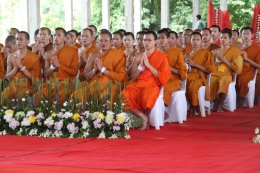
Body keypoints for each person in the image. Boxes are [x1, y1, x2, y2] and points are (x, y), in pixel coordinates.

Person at [122, 30, 171, 130]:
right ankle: (143, 117)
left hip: (152, 85)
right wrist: (140, 67)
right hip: (138, 84)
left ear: (155, 42)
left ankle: (146, 118)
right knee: (123, 96)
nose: (146, 42)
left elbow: (164, 76)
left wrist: (148, 66)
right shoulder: (139, 56)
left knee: (147, 96)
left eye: (149, 40)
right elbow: (134, 77)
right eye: (144, 40)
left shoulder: (162, 57)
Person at [72, 30, 126, 103]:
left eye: (106, 40)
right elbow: (86, 75)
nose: (103, 43)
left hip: (110, 84)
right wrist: (94, 70)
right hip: (93, 84)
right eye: (101, 40)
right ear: (97, 42)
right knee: (76, 96)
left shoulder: (119, 55)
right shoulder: (93, 55)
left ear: (111, 42)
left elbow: (120, 76)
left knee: (104, 97)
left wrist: (103, 70)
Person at [39, 27, 79, 104]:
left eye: (59, 35)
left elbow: (74, 72)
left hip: (66, 83)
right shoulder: (48, 53)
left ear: (64, 38)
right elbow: (45, 75)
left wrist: (59, 65)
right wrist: (52, 67)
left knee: (59, 96)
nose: (56, 37)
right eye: (54, 35)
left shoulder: (73, 51)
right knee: (37, 96)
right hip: (51, 83)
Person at [210, 28, 243, 112]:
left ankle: (220, 103)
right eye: (221, 38)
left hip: (227, 74)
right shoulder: (215, 51)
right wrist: (216, 62)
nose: (222, 40)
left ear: (230, 39)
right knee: (210, 81)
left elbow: (237, 69)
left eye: (225, 38)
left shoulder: (236, 51)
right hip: (214, 73)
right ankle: (215, 101)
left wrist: (224, 59)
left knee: (223, 81)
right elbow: (209, 66)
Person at [3, 31, 41, 102]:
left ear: (27, 41)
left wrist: (22, 67)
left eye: (21, 39)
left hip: (27, 87)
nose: (18, 42)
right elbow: (7, 77)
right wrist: (16, 67)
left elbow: (35, 79)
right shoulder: (11, 56)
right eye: (17, 39)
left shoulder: (34, 57)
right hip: (13, 86)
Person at [185, 32, 215, 116]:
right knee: (182, 85)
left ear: (201, 41)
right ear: (190, 41)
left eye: (198, 40)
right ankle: (192, 106)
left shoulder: (206, 53)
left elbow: (210, 70)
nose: (195, 42)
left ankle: (193, 106)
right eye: (193, 40)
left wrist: (195, 65)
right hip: (188, 76)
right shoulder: (187, 53)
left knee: (193, 86)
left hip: (200, 78)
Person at [157, 29, 187, 107]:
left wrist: (168, 68)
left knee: (165, 89)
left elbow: (183, 73)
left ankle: (163, 111)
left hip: (173, 80)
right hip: (158, 79)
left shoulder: (177, 52)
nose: (160, 40)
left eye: (162, 38)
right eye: (158, 38)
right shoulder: (156, 52)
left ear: (168, 39)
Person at [236, 27, 260, 107]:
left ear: (252, 35)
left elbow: (259, 66)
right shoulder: (238, 48)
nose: (246, 36)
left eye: (248, 34)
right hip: (237, 70)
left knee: (243, 79)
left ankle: (241, 99)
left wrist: (247, 59)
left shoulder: (257, 48)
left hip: (250, 71)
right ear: (241, 35)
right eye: (244, 34)